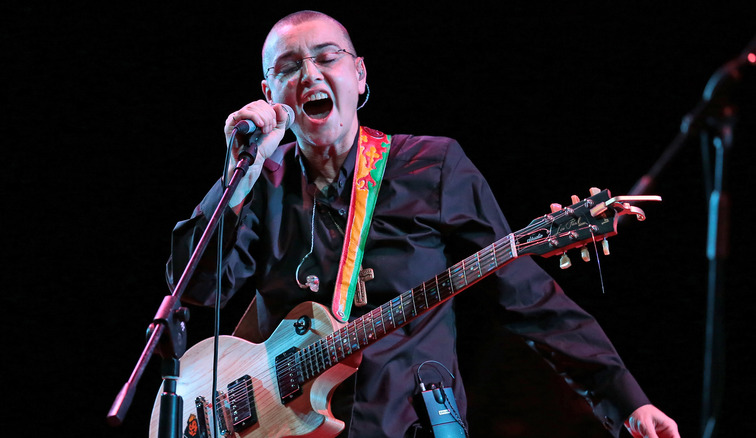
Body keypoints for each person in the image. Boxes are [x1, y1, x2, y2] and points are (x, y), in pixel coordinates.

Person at [166, 10, 681, 438]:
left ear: (361, 75)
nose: (311, 75)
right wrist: (238, 177)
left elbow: (527, 297)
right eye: (289, 67)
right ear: (269, 92)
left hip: (405, 423)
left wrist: (626, 402)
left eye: (327, 58)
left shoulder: (432, 167)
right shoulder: (260, 186)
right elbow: (196, 289)